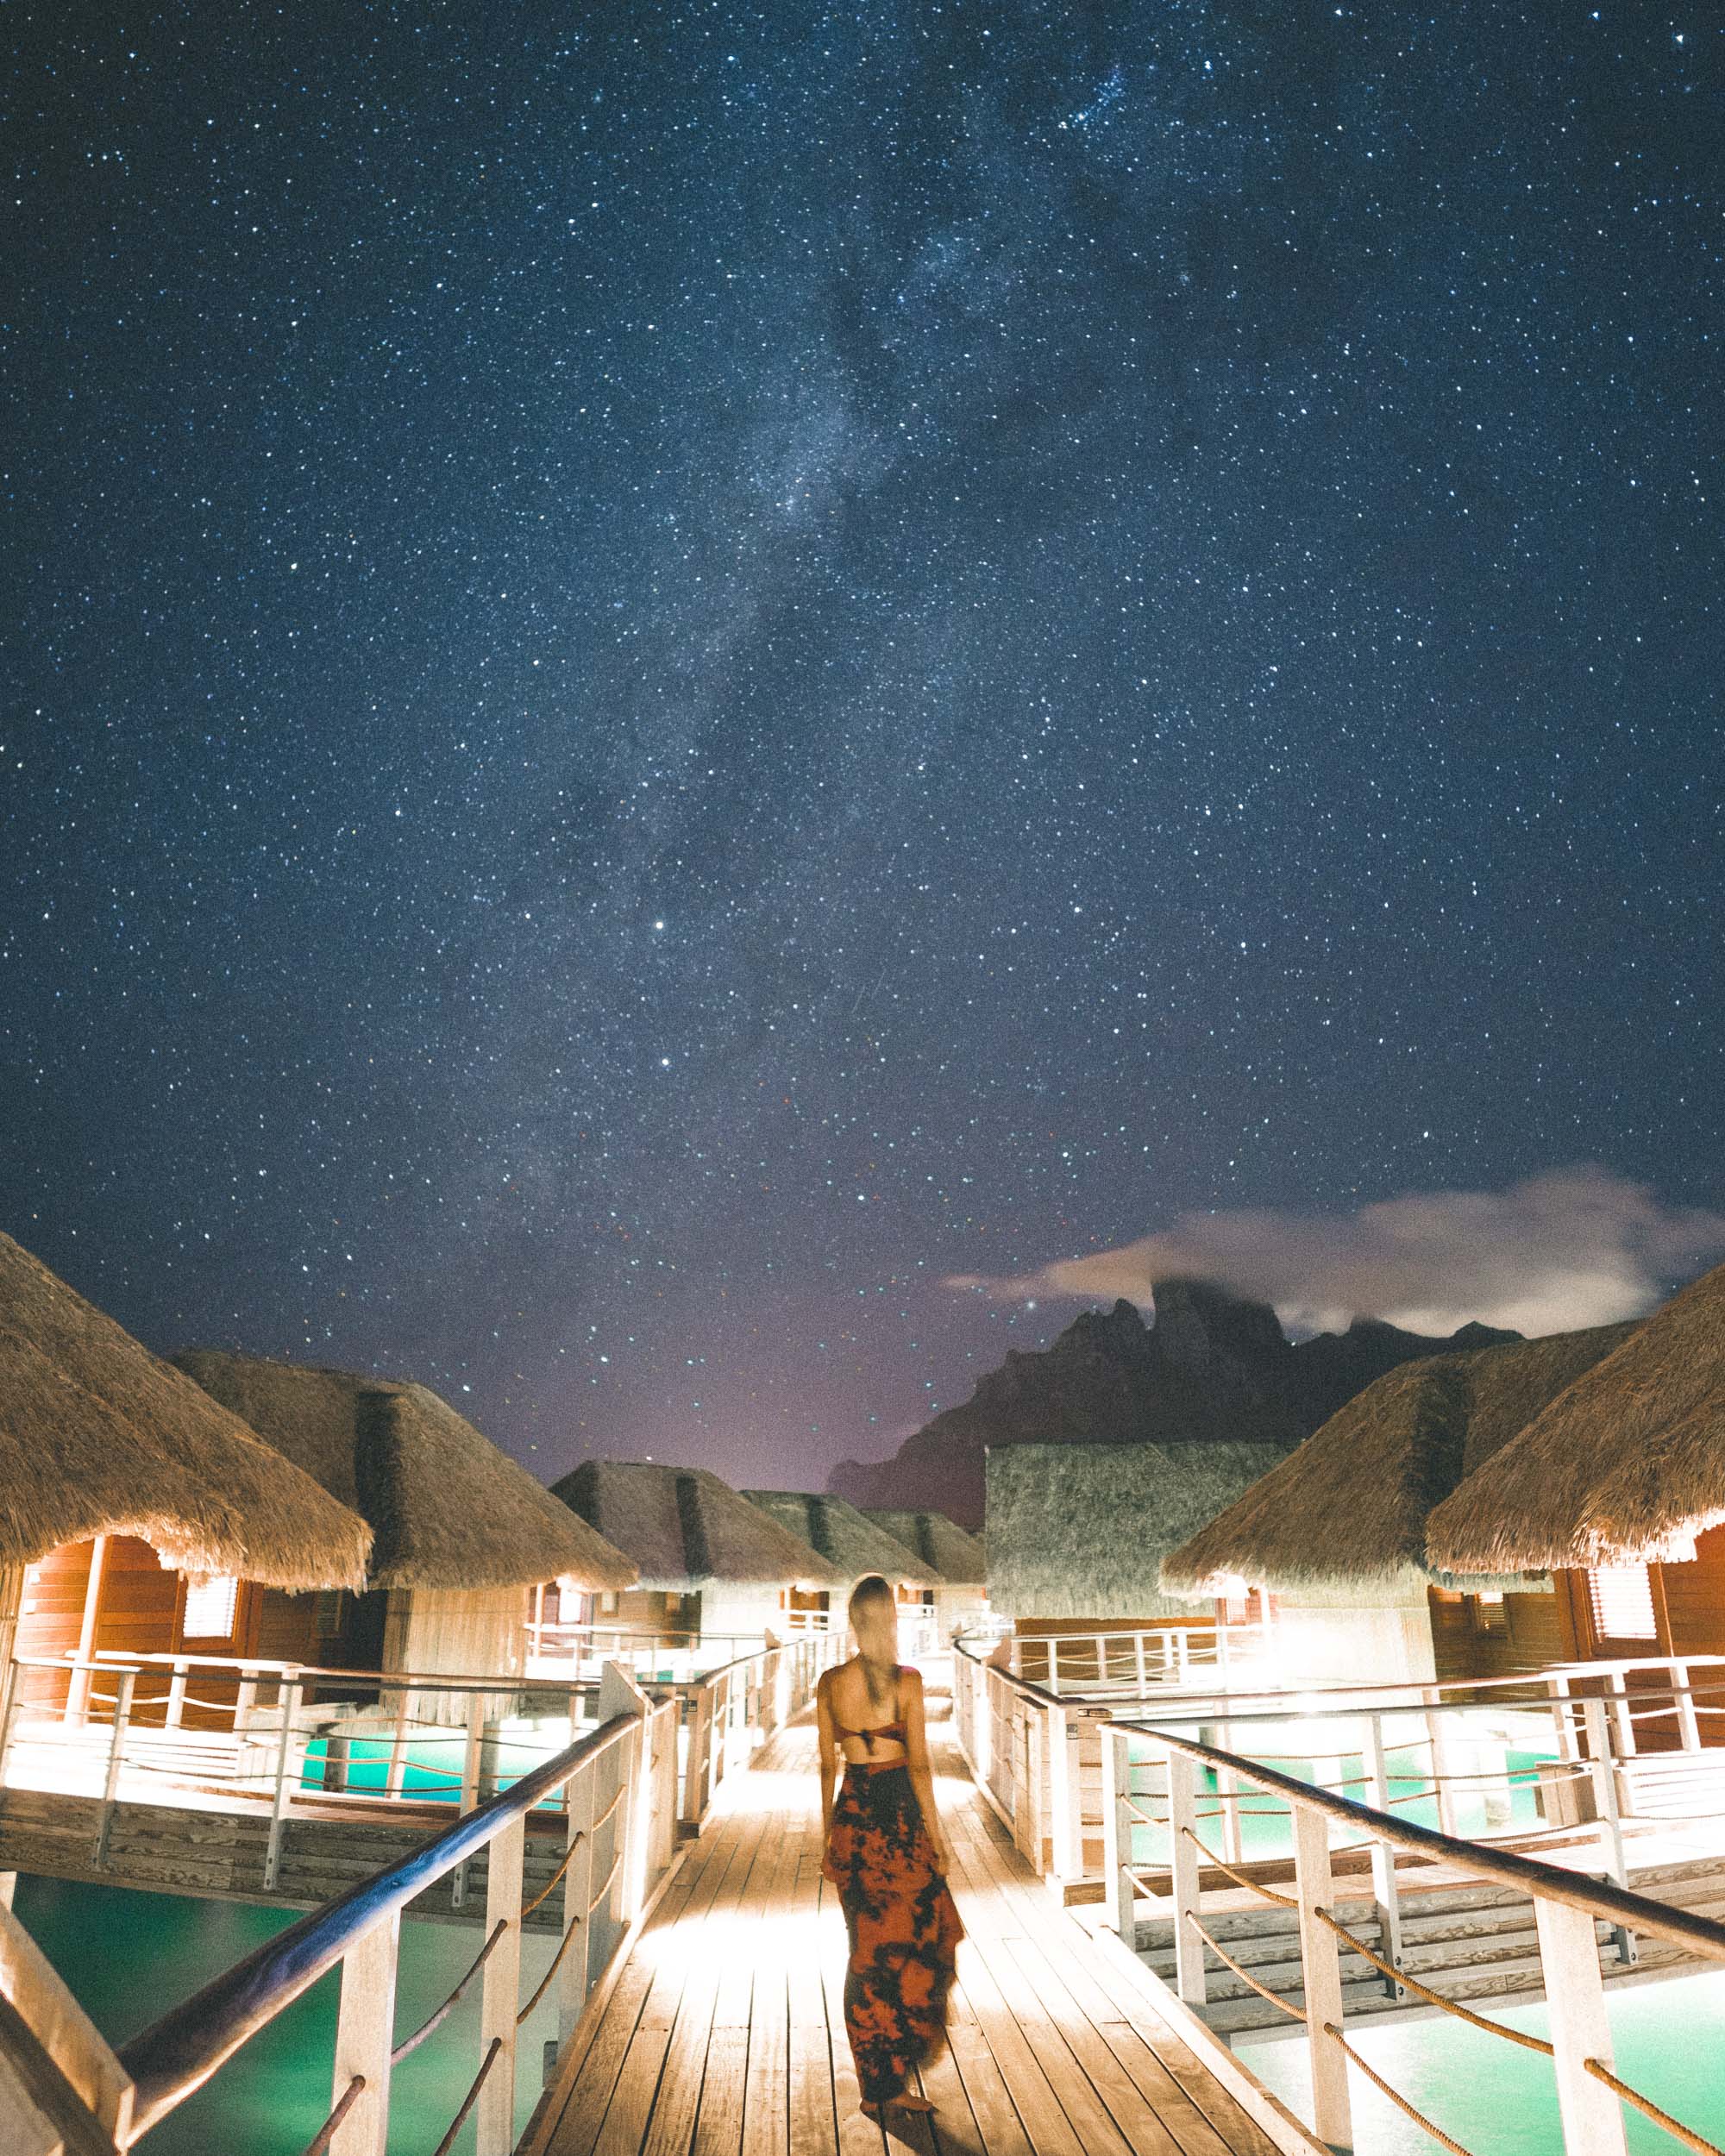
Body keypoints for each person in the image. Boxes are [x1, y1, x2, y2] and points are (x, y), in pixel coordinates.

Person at [818, 1573, 963, 2122]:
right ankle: (895, 2073)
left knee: (866, 1954)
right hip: (900, 1823)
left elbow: (828, 1765)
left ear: (856, 1622)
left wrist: (825, 1837)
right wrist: (938, 1836)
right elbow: (920, 1765)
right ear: (890, 1621)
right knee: (926, 1936)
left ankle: (878, 2084)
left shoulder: (831, 1682)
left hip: (854, 1822)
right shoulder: (908, 1681)